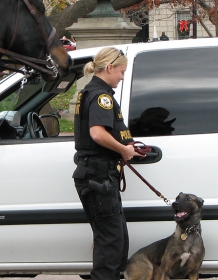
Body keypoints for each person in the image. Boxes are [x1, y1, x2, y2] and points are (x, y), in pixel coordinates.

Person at [73, 47, 144, 280]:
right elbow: (97, 134)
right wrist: (124, 150)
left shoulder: (91, 92)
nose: (122, 77)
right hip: (98, 175)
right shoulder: (101, 96)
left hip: (98, 175)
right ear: (110, 68)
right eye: (122, 72)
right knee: (111, 243)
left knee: (114, 240)